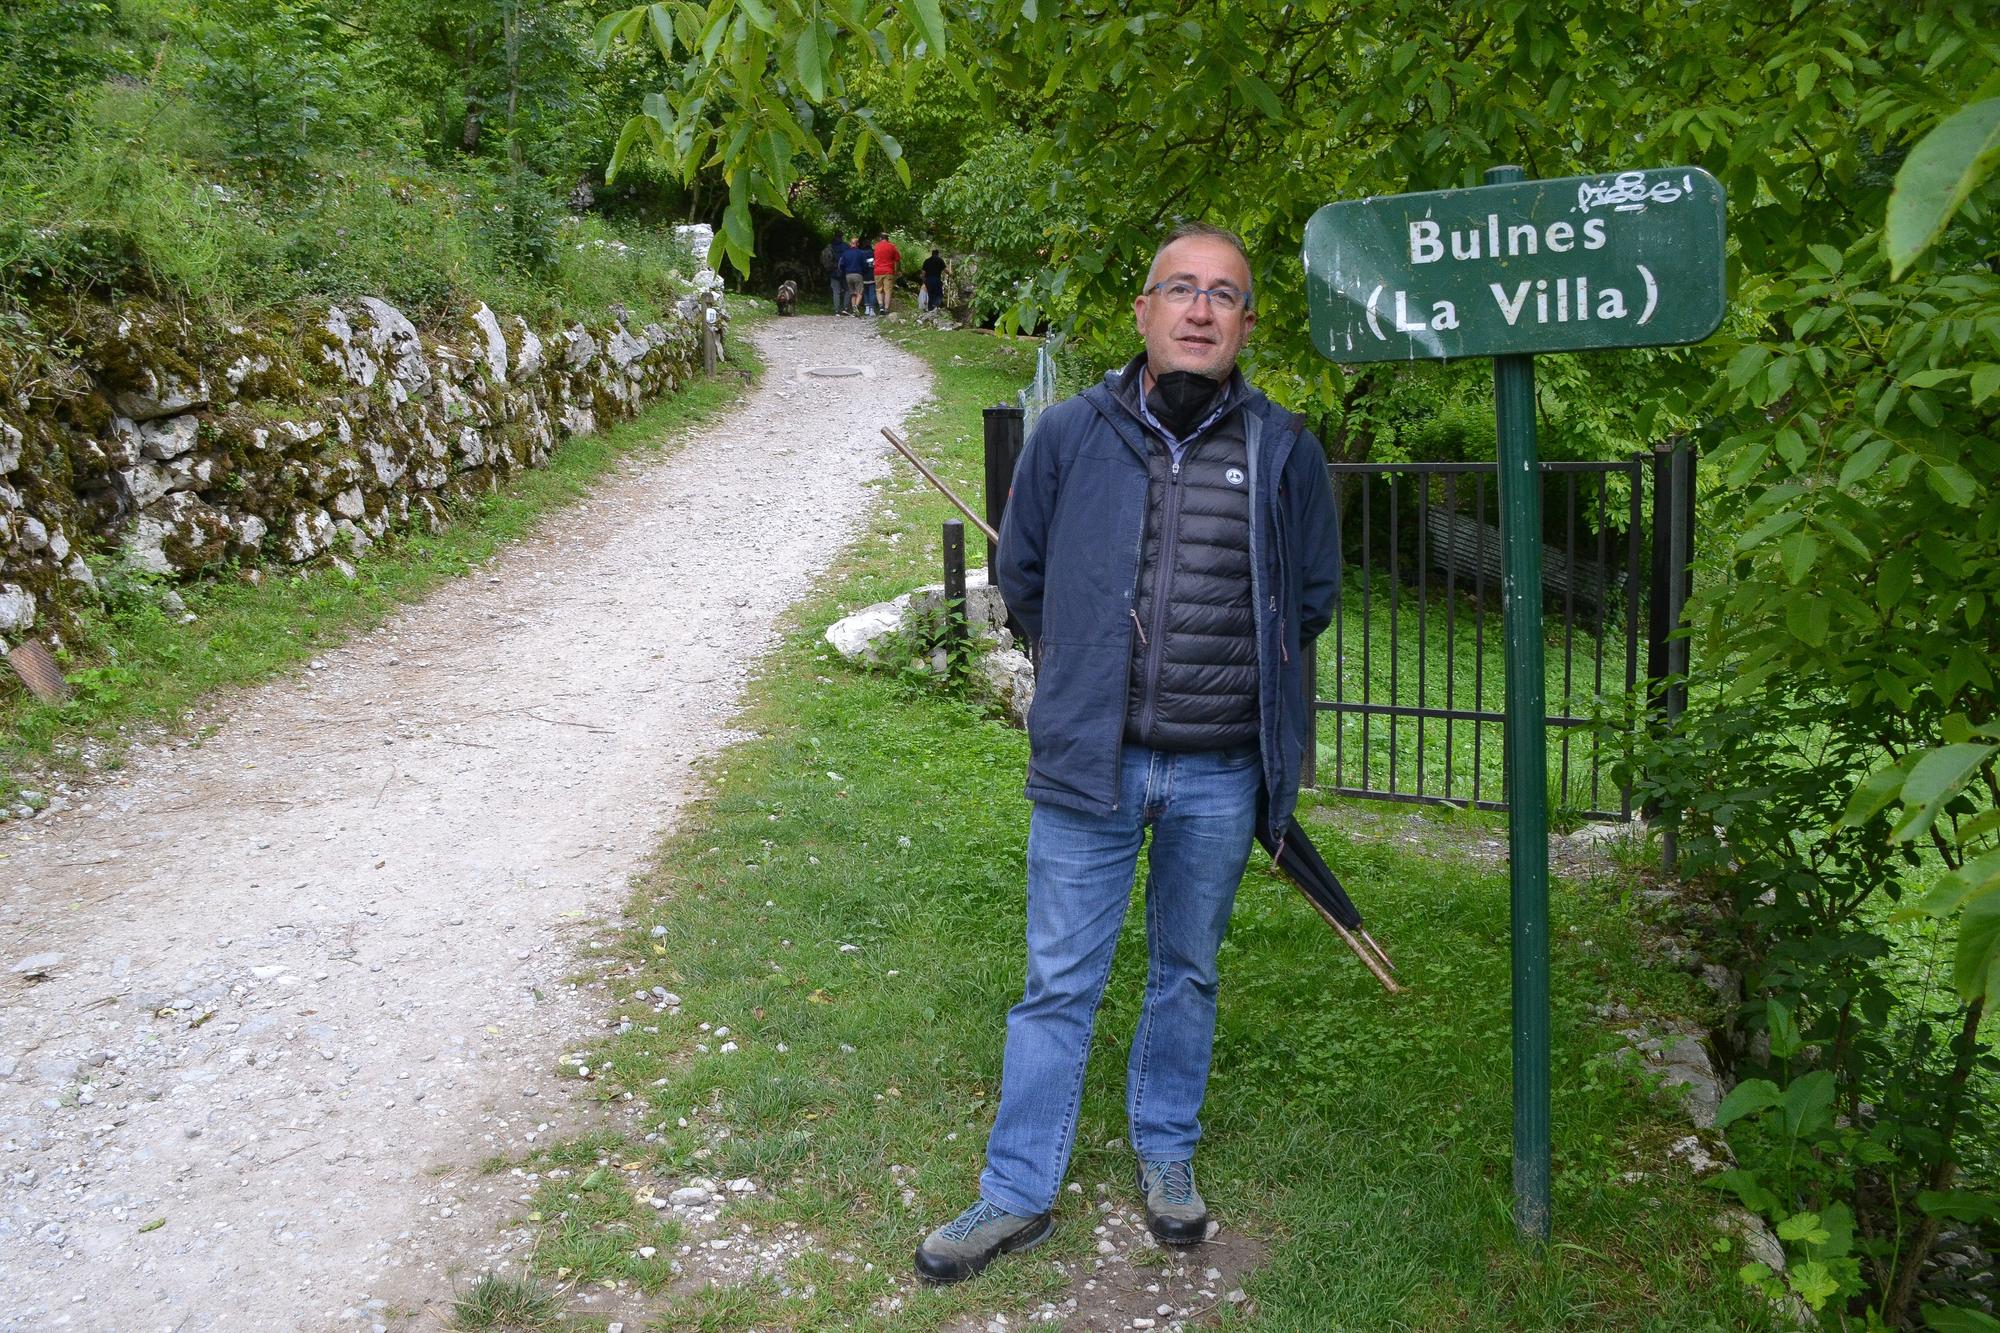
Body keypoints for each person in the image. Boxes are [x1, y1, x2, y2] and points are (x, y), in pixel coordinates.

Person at [914, 223, 1341, 1284]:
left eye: (1224, 296)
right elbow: (1022, 579)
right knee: (1056, 981)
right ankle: (1014, 1193)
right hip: (1087, 766)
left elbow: (1311, 599)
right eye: (1180, 289)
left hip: (1215, 769)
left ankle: (1165, 1156)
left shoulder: (1283, 446)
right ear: (1143, 312)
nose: (1200, 310)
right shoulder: (1068, 433)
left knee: (1185, 972)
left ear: (1246, 324)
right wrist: (1089, 667)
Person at [838, 236, 869, 316]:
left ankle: (853, 308)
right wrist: (863, 272)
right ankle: (856, 307)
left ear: (850, 244)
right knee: (859, 292)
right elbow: (865, 265)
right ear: (857, 244)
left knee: (852, 293)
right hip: (858, 274)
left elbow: (841, 264)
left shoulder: (845, 253)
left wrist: (845, 271)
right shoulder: (861, 253)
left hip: (848, 275)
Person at [873, 232, 902, 313]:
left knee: (879, 290)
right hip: (888, 271)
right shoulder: (892, 246)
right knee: (887, 291)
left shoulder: (876, 246)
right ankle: (886, 309)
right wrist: (896, 271)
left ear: (880, 238)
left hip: (877, 271)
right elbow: (897, 260)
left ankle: (881, 307)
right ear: (887, 238)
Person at [821, 237, 845, 315]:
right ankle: (846, 308)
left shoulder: (829, 247)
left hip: (833, 272)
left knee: (836, 292)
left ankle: (836, 310)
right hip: (844, 272)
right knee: (848, 290)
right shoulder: (845, 247)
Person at [921, 247, 946, 313]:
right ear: (938, 254)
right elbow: (945, 270)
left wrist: (924, 281)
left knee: (930, 295)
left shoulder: (927, 261)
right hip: (936, 279)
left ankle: (930, 309)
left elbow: (923, 273)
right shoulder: (940, 260)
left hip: (928, 280)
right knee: (939, 294)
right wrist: (951, 274)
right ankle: (935, 307)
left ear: (932, 254)